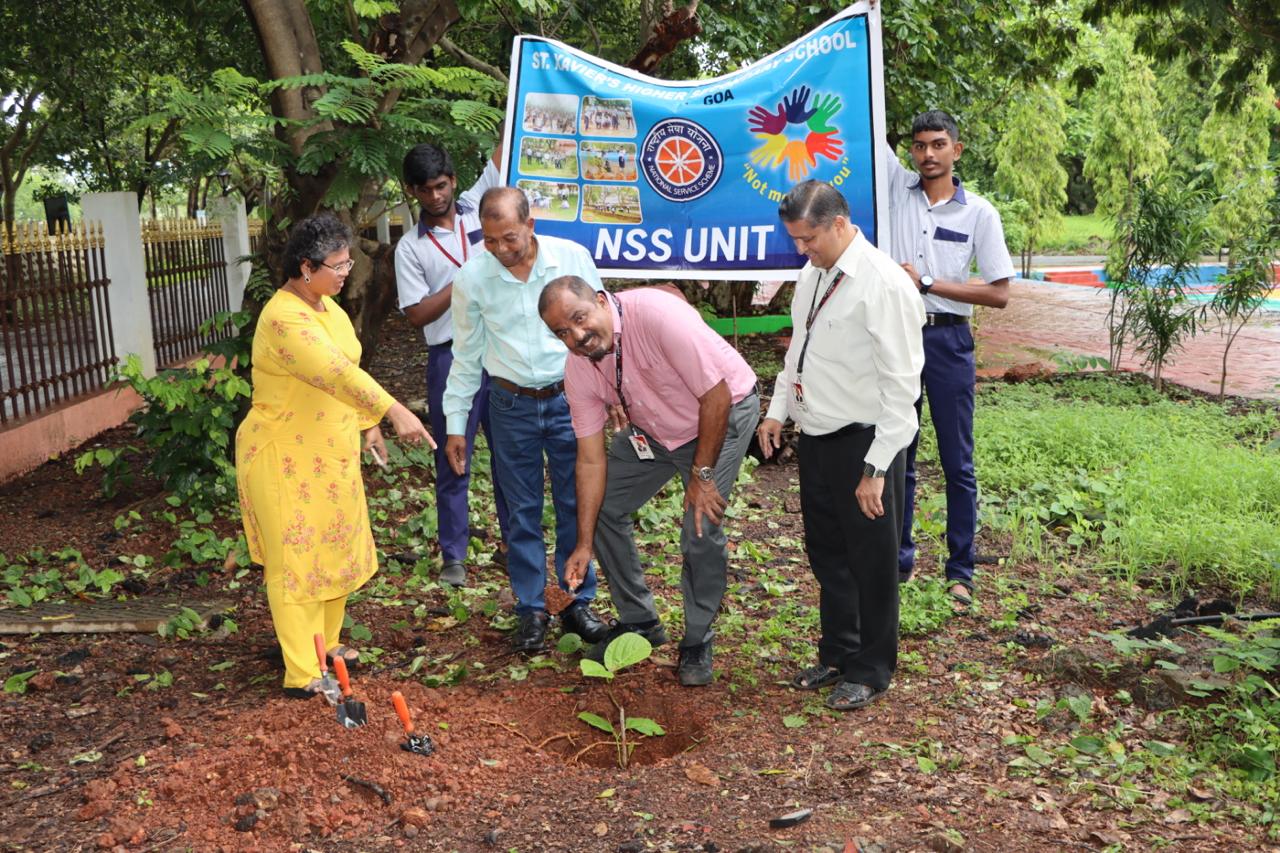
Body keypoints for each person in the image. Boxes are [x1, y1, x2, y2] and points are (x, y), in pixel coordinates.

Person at [236, 214, 434, 698]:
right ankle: (302, 672)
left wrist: (367, 425)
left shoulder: (328, 308)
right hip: (285, 456)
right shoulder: (283, 318)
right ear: (306, 267)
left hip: (331, 454)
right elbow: (332, 372)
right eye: (338, 264)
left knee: (334, 549)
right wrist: (393, 411)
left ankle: (326, 645)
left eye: (348, 262)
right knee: (297, 558)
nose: (347, 271)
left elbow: (347, 366)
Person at [539, 277, 760, 686]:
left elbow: (717, 397)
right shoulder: (579, 368)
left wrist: (702, 475)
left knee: (700, 522)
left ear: (602, 302)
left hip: (723, 414)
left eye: (579, 318)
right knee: (601, 505)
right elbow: (590, 461)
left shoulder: (657, 316)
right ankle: (641, 622)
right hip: (656, 430)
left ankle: (697, 638)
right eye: (562, 332)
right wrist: (584, 543)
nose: (577, 336)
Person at [757, 181, 924, 711]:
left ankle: (872, 668)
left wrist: (877, 467)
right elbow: (797, 352)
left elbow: (903, 389)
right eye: (796, 240)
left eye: (807, 239)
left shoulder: (883, 285)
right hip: (819, 438)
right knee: (828, 553)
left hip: (866, 442)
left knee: (871, 560)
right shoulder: (815, 274)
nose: (801, 249)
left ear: (838, 224)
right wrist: (778, 410)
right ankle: (838, 652)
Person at [443, 187, 611, 653]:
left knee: (576, 500)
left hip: (570, 397)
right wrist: (456, 423)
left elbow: (601, 325)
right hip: (509, 404)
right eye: (490, 240)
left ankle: (577, 602)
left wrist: (611, 392)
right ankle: (532, 608)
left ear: (531, 224)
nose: (500, 249)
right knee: (519, 511)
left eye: (509, 238)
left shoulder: (572, 258)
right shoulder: (472, 278)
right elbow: (465, 356)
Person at [883, 110, 1014, 611]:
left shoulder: (979, 213)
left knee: (958, 463)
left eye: (939, 144)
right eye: (920, 146)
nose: (928, 154)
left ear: (956, 150)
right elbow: (867, 131)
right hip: (899, 339)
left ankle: (960, 571)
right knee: (901, 453)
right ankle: (899, 561)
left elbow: (1000, 294)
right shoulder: (897, 193)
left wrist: (930, 282)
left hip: (949, 342)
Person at [395, 142, 510, 587]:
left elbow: (502, 149)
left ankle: (511, 545)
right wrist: (466, 279)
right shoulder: (410, 248)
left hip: (500, 353)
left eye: (441, 186)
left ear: (454, 181)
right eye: (425, 190)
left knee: (509, 456)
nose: (435, 197)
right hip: (449, 357)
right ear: (412, 191)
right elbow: (417, 314)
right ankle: (454, 557)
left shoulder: (479, 210)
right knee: (453, 458)